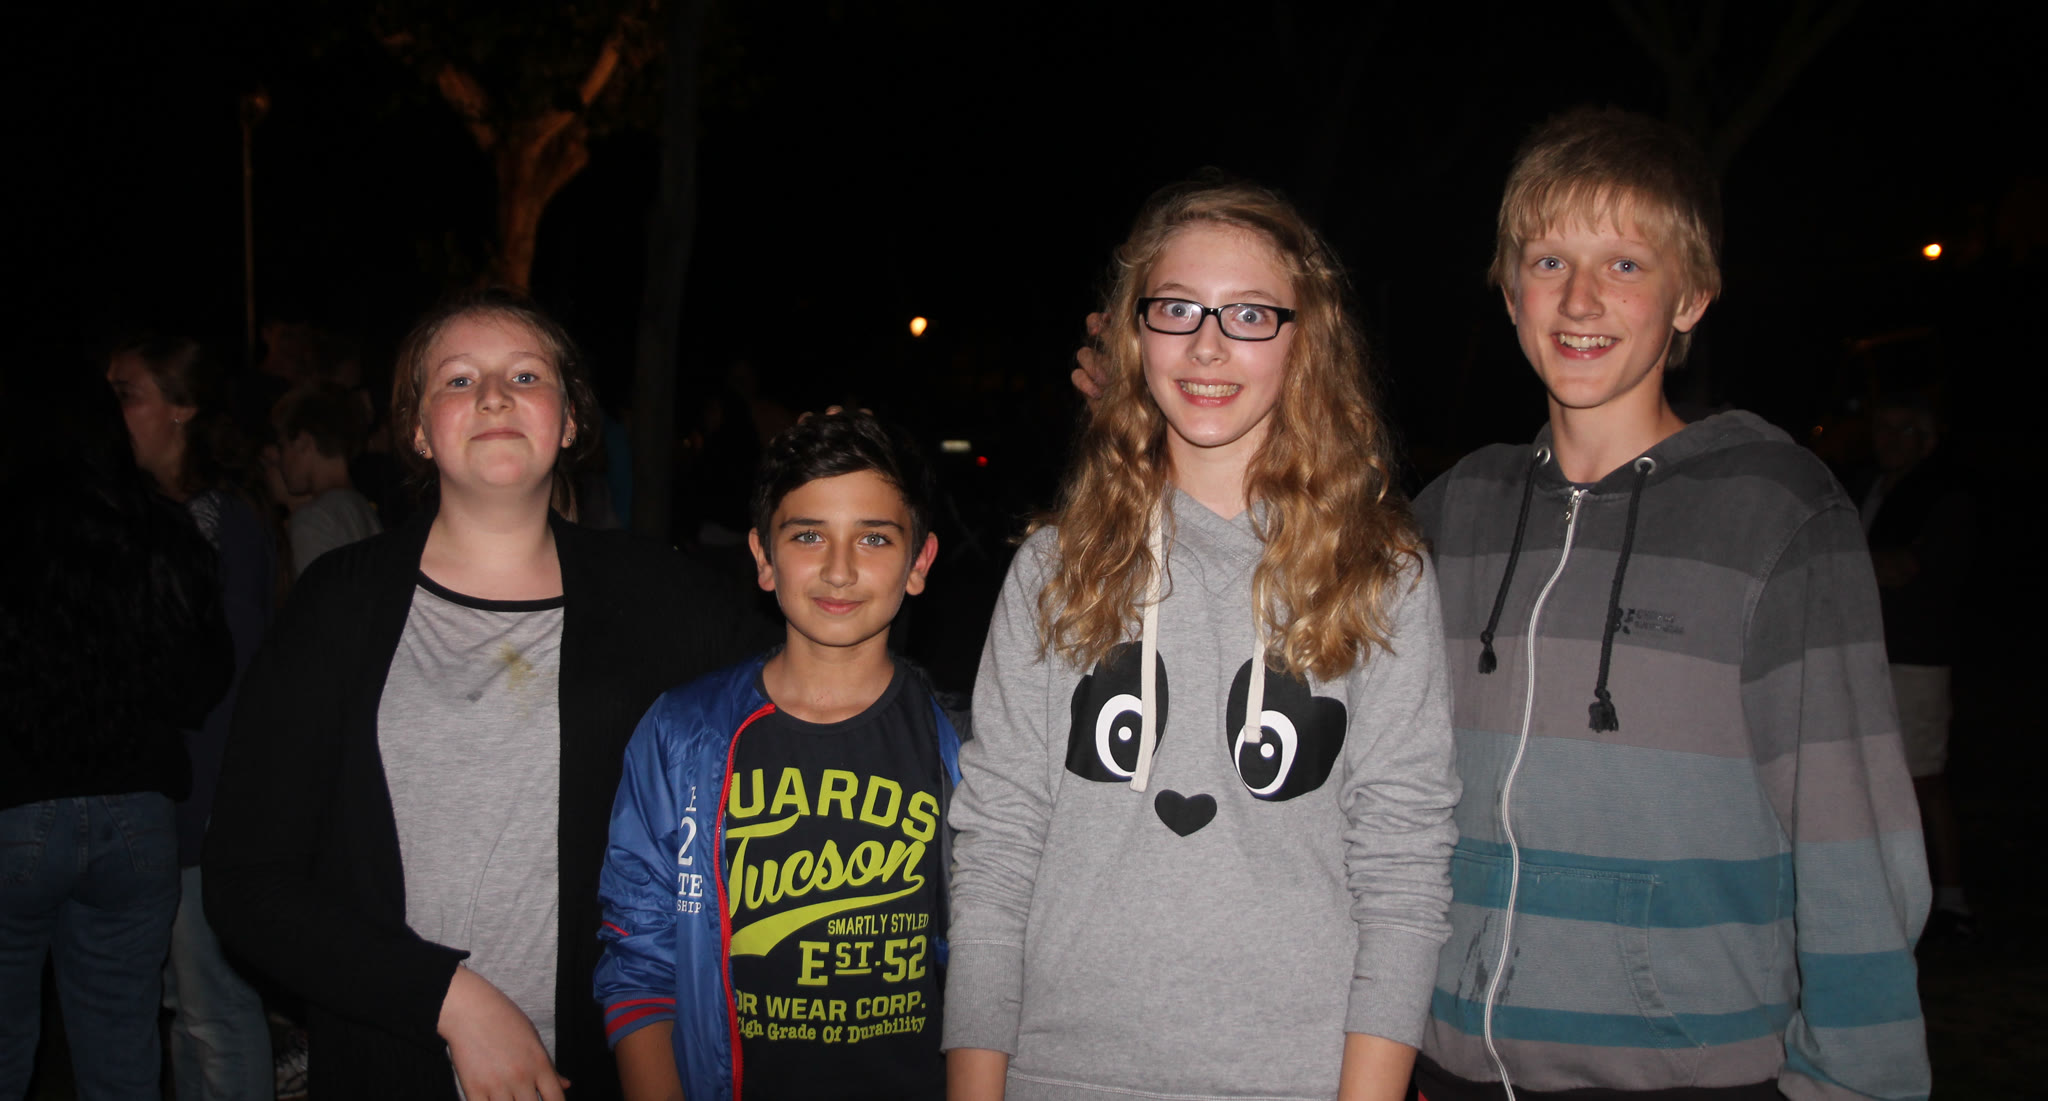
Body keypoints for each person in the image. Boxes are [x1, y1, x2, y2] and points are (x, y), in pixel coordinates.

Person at [1409, 108, 1929, 1100]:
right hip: (1447, 1067)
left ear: (1690, 296)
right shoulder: (1452, 513)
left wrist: (1855, 1081)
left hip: (1687, 1071)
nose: (1579, 299)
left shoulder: (1778, 515)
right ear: (1509, 291)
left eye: (1625, 264)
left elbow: (1852, 843)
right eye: (1548, 261)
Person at [948, 177, 1460, 1101]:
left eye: (1251, 314)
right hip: (1060, 1074)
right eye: (1178, 308)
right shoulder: (1055, 568)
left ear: (1306, 341)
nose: (1208, 345)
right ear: (1134, 333)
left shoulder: (1380, 575)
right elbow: (995, 848)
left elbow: (1404, 864)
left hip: (1302, 1081)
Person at [203, 289, 770, 1101]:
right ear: (417, 429)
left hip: (598, 1071)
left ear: (569, 421)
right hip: (391, 1067)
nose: (496, 396)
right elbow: (248, 881)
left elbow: (807, 710)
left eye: (527, 375)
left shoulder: (662, 598)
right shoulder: (340, 602)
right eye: (460, 379)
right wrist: (449, 1000)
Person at [595, 410, 962, 1101]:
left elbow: (991, 966)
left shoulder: (963, 750)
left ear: (919, 563)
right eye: (808, 535)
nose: (839, 569)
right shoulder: (682, 735)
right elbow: (639, 959)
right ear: (764, 558)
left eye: (874, 538)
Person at [1, 360, 234, 1100]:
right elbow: (203, 679)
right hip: (137, 812)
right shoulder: (159, 532)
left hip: (12, 806)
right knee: (122, 1047)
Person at [107, 335, 278, 1101]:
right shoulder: (141, 514)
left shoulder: (217, 522)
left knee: (215, 1005)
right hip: (160, 801)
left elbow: (232, 681)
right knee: (184, 1007)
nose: (112, 409)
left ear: (181, 408)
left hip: (202, 808)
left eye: (127, 392)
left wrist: (205, 813)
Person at [1854, 393, 1975, 943]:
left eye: (1903, 429)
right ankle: (1890, 893)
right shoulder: (1870, 486)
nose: (1888, 439)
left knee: (1924, 778)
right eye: (1882, 427)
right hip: (1867, 652)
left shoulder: (1943, 496)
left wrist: (1841, 557)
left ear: (1926, 440)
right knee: (1868, 777)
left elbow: (1906, 568)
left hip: (1917, 657)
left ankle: (1951, 899)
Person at [272, 382, 383, 577]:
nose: (280, 461)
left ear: (303, 442)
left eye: (283, 447)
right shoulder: (364, 510)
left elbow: (314, 594)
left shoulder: (313, 520)